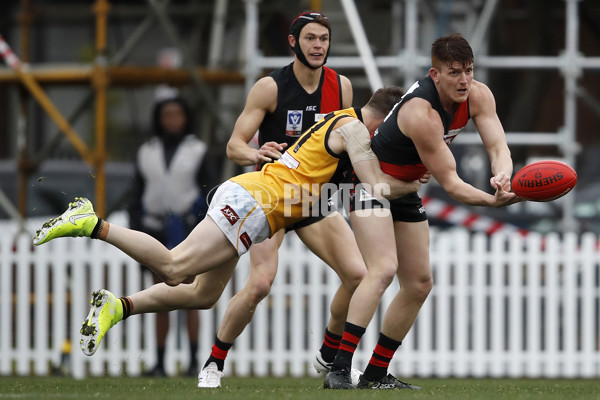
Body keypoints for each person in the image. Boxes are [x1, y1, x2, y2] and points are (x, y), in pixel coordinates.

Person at [31, 88, 421, 382]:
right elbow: (375, 184)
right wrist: (422, 182)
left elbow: (338, 188)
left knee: (202, 294)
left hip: (260, 202)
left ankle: (118, 306)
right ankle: (93, 223)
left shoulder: (342, 117)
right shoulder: (354, 129)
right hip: (256, 202)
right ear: (384, 121)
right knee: (173, 266)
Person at [323, 33, 522, 390]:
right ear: (435, 74)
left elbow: (498, 144)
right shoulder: (421, 113)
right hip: (372, 184)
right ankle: (338, 369)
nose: (464, 80)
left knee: (418, 284)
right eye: (455, 72)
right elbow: (451, 183)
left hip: (405, 188)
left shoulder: (479, 94)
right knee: (383, 270)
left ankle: (375, 375)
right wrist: (491, 201)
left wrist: (502, 173)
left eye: (469, 71)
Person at [198, 10, 359, 388]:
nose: (318, 46)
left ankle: (329, 355)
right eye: (310, 39)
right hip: (273, 196)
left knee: (358, 275)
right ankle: (213, 363)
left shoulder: (342, 87)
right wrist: (255, 153)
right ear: (293, 42)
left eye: (323, 39)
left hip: (314, 199)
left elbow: (349, 140)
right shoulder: (270, 87)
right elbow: (233, 145)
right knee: (260, 284)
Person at [128, 96, 218, 377]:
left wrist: (199, 218)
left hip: (188, 228)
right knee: (159, 296)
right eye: (166, 115)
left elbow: (210, 191)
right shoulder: (146, 151)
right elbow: (137, 194)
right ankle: (159, 361)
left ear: (185, 117)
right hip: (155, 227)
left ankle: (192, 360)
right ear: (159, 118)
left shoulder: (197, 150)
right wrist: (136, 228)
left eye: (177, 114)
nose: (172, 120)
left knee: (190, 294)